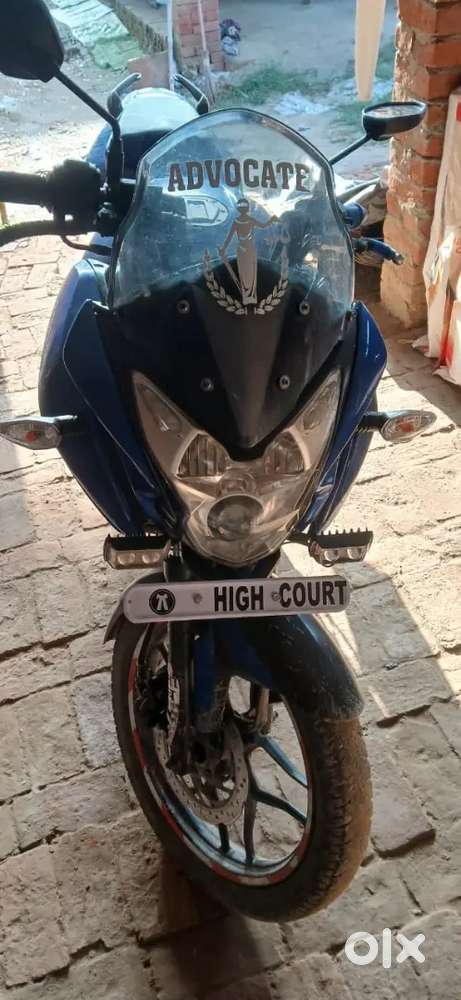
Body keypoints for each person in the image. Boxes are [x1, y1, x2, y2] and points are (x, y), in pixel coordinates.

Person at [218, 199, 277, 305]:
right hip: (249, 249)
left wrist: (223, 249)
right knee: (250, 272)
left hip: (242, 249)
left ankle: (246, 297)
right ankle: (250, 297)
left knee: (244, 272)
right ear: (247, 208)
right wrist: (272, 220)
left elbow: (229, 238)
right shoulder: (250, 220)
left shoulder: (237, 222)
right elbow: (263, 226)